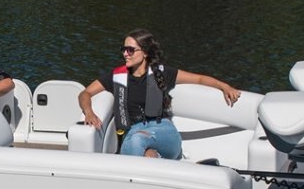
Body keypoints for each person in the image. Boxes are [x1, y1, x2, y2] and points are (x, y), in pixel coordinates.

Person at [76, 28, 241, 159]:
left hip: (163, 131)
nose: (125, 53)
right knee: (145, 151)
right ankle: (156, 164)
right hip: (132, 133)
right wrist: (89, 112)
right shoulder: (116, 76)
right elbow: (85, 93)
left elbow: (198, 79)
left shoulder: (161, 73)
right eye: (124, 49)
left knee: (138, 140)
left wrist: (224, 86)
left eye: (130, 50)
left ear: (145, 53)